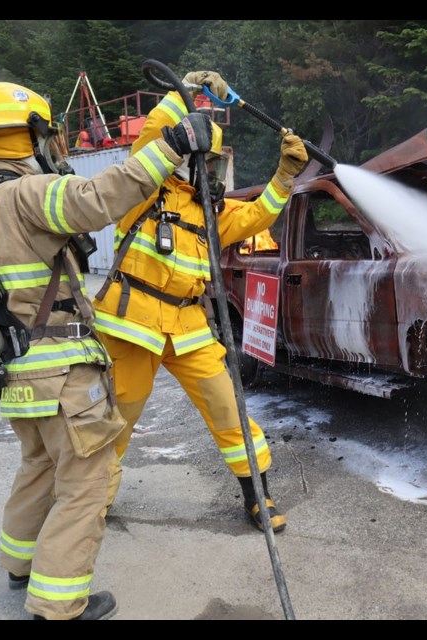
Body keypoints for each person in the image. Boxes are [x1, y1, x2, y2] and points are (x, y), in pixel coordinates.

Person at [0, 79, 217, 620]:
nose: (57, 143)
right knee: (85, 486)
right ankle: (59, 604)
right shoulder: (28, 193)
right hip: (63, 374)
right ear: (31, 134)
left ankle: (18, 565)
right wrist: (172, 146)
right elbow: (97, 201)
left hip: (17, 374)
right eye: (50, 133)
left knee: (38, 467)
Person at [92, 71, 308, 533]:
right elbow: (154, 134)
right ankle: (92, 502)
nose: (212, 171)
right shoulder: (142, 189)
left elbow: (256, 215)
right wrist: (184, 90)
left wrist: (285, 176)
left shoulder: (210, 211)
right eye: (205, 160)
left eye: (214, 164)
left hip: (190, 327)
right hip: (132, 324)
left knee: (230, 411)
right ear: (184, 156)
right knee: (117, 422)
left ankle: (258, 498)